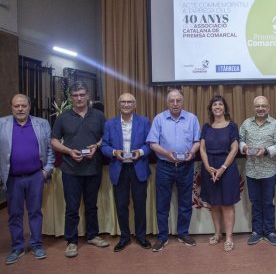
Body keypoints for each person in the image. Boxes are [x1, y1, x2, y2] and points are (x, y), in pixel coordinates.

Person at [51, 81, 109, 258]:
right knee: (72, 207)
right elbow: (53, 141)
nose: (79, 98)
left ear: (88, 95)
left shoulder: (99, 116)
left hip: (93, 168)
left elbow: (106, 137)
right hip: (70, 170)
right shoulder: (63, 117)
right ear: (71, 97)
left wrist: (96, 147)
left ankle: (92, 236)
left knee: (92, 206)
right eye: (75, 95)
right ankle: (71, 241)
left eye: (82, 94)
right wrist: (69, 151)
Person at [0, 94, 55, 265]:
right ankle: (17, 247)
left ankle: (37, 245)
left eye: (23, 105)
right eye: (16, 106)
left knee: (35, 212)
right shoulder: (2, 124)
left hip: (35, 176)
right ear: (11, 107)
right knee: (14, 214)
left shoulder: (42, 123)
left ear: (29, 106)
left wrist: (46, 170)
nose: (20, 109)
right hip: (13, 179)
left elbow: (50, 149)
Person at [146, 88, 200, 252]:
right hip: (165, 167)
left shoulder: (192, 119)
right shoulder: (159, 119)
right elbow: (152, 143)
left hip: (186, 167)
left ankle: (183, 233)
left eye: (178, 101)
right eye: (172, 101)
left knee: (185, 203)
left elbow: (197, 141)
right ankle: (162, 236)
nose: (175, 104)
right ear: (167, 102)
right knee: (162, 203)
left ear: (182, 102)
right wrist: (167, 154)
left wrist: (192, 151)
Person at [101, 93, 152, 252]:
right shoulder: (110, 124)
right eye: (123, 102)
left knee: (140, 205)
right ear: (119, 105)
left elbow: (150, 143)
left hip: (139, 168)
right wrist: (115, 152)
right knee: (122, 205)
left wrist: (141, 152)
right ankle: (124, 237)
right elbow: (104, 146)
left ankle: (141, 236)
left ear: (135, 105)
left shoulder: (144, 122)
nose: (126, 104)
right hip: (119, 168)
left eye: (129, 102)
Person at [239, 96, 276, 246]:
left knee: (267, 202)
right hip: (252, 170)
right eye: (258, 106)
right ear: (254, 107)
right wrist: (244, 147)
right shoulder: (246, 123)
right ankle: (257, 232)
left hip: (269, 171)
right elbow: (240, 140)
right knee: (255, 202)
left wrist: (265, 150)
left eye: (263, 106)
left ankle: (270, 232)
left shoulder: (275, 125)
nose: (260, 109)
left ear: (268, 107)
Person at [199, 95, 240, 252]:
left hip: (227, 168)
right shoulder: (206, 127)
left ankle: (229, 237)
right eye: (214, 104)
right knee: (214, 203)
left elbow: (235, 148)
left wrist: (222, 168)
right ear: (211, 108)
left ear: (225, 108)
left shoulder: (232, 126)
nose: (217, 107)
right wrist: (208, 167)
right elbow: (202, 148)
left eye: (220, 104)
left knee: (227, 203)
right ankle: (218, 233)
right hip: (209, 167)